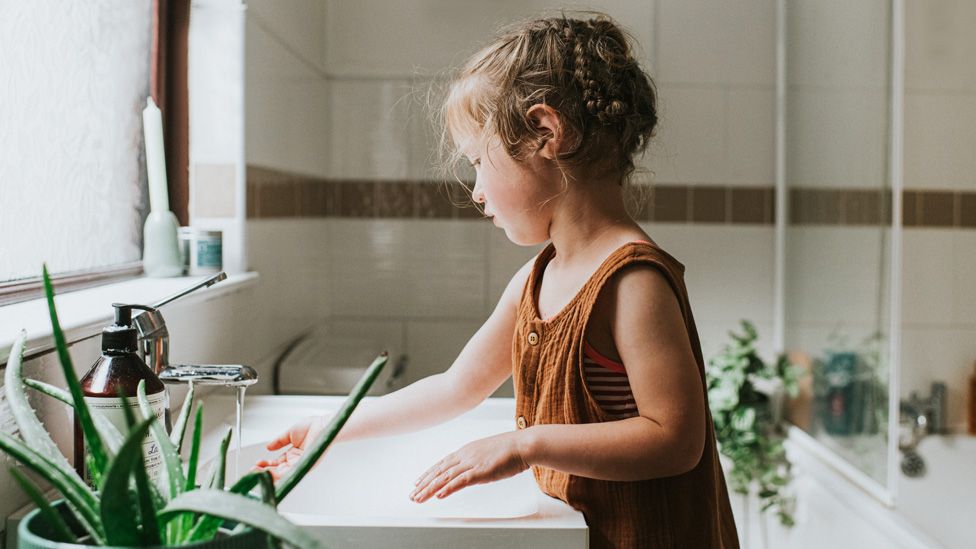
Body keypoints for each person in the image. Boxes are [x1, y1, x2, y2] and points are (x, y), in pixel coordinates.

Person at [257, 13, 739, 548]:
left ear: (545, 134)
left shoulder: (632, 282)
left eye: (477, 163)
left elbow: (674, 439)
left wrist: (523, 445)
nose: (476, 192)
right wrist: (330, 429)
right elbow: (454, 387)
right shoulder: (538, 279)